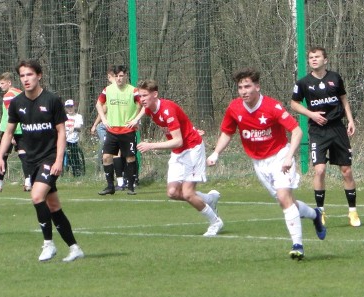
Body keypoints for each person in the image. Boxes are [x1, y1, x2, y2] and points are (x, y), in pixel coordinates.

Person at [207, 67, 326, 260]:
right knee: (286, 201)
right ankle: (315, 215)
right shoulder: (234, 108)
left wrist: (289, 157)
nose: (244, 91)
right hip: (259, 163)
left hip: (280, 157)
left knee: (284, 197)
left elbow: (297, 131)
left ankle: (298, 245)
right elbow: (227, 132)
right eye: (240, 87)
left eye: (247, 86)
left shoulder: (272, 106)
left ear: (257, 87)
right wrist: (216, 153)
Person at [0, 59, 84, 262]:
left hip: (50, 157)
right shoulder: (17, 103)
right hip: (31, 160)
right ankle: (74, 248)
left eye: (30, 75)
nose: (26, 79)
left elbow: (61, 132)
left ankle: (48, 244)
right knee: (53, 206)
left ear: (39, 75)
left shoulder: (52, 100)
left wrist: (59, 160)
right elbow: (8, 132)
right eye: (23, 76)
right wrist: (1, 156)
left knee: (36, 196)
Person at [136, 79, 223, 236]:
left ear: (155, 95)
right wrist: (136, 119)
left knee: (188, 193)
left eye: (144, 96)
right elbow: (144, 110)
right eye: (139, 96)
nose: (141, 99)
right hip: (178, 152)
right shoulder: (149, 107)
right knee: (173, 193)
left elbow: (178, 141)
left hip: (192, 149)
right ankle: (209, 199)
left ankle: (215, 222)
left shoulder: (167, 111)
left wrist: (151, 145)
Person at [290, 46, 360, 227]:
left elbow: (344, 99)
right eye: (311, 57)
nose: (314, 59)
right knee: (319, 170)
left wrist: (350, 121)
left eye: (317, 57)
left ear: (325, 60)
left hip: (337, 128)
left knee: (347, 171)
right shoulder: (303, 83)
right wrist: (311, 114)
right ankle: (320, 212)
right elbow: (294, 104)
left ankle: (353, 212)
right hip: (317, 131)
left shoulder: (335, 78)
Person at [95, 65, 144, 195]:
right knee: (106, 157)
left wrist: (136, 120)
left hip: (127, 131)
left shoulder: (133, 91)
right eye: (116, 76)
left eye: (121, 76)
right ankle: (110, 186)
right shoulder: (108, 90)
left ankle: (131, 187)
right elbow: (98, 104)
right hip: (112, 131)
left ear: (126, 76)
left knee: (130, 158)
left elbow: (144, 105)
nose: (119, 78)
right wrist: (104, 120)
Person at [0, 72, 31, 192]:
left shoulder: (8, 95)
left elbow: (11, 114)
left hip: (10, 130)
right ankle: (28, 182)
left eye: (2, 83)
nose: (0, 86)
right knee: (23, 155)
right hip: (22, 129)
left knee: (2, 156)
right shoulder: (20, 93)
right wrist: (1, 123)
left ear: (9, 82)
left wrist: (10, 133)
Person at [64, 99, 84, 176]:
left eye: (71, 107)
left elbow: (79, 127)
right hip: (64, 138)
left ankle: (77, 169)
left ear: (74, 107)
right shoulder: (64, 116)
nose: (69, 109)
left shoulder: (78, 116)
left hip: (72, 139)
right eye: (67, 107)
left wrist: (74, 128)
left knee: (73, 153)